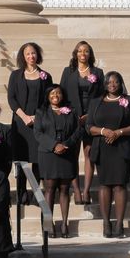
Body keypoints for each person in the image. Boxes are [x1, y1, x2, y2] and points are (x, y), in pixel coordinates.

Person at [86, 71, 130, 238]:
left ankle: (119, 223)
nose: (112, 84)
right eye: (109, 82)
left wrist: (118, 132)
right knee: (104, 185)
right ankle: (106, 222)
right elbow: (89, 126)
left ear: (121, 83)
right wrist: (104, 131)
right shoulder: (96, 102)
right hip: (102, 148)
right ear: (104, 84)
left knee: (120, 185)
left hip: (122, 147)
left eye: (116, 81)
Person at [60, 40, 105, 205]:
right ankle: (76, 191)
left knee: (89, 155)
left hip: (91, 118)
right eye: (79, 51)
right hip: (72, 118)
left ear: (90, 54)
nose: (82, 54)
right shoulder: (68, 72)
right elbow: (61, 95)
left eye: (86, 51)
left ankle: (86, 191)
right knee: (72, 155)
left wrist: (90, 114)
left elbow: (101, 96)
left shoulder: (98, 73)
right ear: (75, 54)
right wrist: (68, 114)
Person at [36, 85, 83, 237]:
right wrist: (54, 145)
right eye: (52, 93)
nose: (55, 95)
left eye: (58, 93)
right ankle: (49, 224)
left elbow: (78, 131)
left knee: (64, 189)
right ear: (47, 96)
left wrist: (66, 144)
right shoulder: (41, 112)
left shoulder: (71, 111)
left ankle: (64, 224)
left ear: (63, 95)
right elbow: (38, 133)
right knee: (49, 190)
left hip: (66, 154)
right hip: (48, 154)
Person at [7, 42, 51, 203]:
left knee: (37, 159)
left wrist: (36, 117)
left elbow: (48, 100)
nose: (31, 56)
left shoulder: (45, 76)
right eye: (28, 54)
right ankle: (21, 192)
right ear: (23, 57)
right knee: (21, 158)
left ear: (37, 55)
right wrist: (24, 116)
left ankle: (36, 192)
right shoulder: (15, 75)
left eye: (33, 53)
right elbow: (11, 98)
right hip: (20, 123)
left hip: (39, 123)